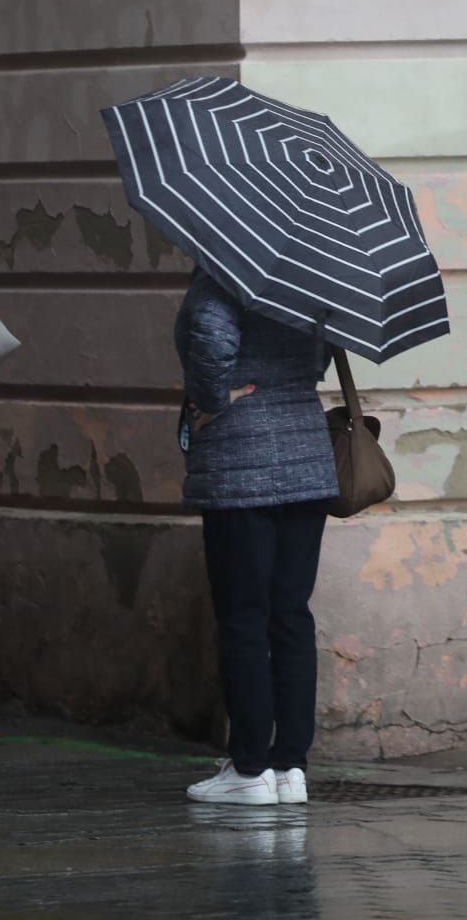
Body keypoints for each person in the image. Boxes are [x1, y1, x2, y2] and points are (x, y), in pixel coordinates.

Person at [176, 268, 338, 806]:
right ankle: (291, 765)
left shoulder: (226, 266)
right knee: (290, 612)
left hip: (242, 457)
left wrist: (211, 401)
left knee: (245, 615)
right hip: (308, 456)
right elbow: (318, 356)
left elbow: (209, 334)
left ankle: (248, 767)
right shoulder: (319, 270)